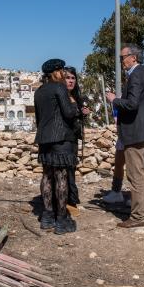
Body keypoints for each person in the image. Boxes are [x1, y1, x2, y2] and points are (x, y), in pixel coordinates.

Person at [106, 44, 144, 228]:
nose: (122, 61)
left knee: (135, 174)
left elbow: (132, 104)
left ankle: (137, 217)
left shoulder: (135, 75)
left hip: (135, 131)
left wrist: (114, 100)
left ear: (133, 58)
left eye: (123, 57)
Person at [34, 59, 79, 234]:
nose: (63, 73)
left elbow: (39, 118)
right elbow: (68, 113)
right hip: (61, 138)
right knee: (61, 178)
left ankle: (47, 216)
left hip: (45, 139)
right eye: (61, 71)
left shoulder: (39, 92)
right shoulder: (59, 88)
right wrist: (74, 105)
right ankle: (61, 220)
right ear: (56, 72)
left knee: (47, 176)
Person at [63, 67, 90, 217]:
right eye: (68, 78)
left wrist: (83, 113)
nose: (71, 81)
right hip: (63, 139)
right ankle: (66, 202)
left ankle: (71, 201)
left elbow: (77, 116)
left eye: (73, 78)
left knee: (71, 169)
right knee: (65, 171)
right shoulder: (61, 96)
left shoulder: (76, 96)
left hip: (73, 139)